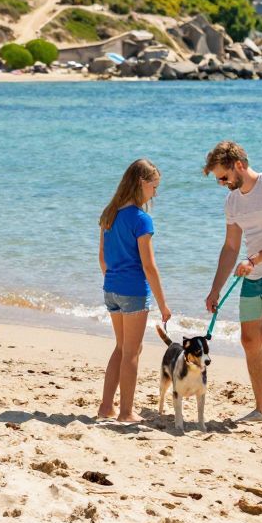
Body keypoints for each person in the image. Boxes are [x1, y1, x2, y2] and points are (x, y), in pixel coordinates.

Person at [201, 141, 262, 423]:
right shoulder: (232, 201)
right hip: (253, 272)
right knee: (248, 339)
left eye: (223, 176)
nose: (221, 183)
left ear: (239, 166)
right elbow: (231, 247)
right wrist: (215, 288)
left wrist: (255, 259)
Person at [97, 159, 171, 422]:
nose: (155, 192)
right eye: (154, 186)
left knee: (120, 348)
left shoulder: (109, 213)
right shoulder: (142, 220)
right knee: (132, 352)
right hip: (133, 292)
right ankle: (126, 412)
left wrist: (114, 281)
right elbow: (149, 267)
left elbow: (102, 259)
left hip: (111, 289)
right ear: (141, 182)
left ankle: (107, 407)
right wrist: (163, 305)